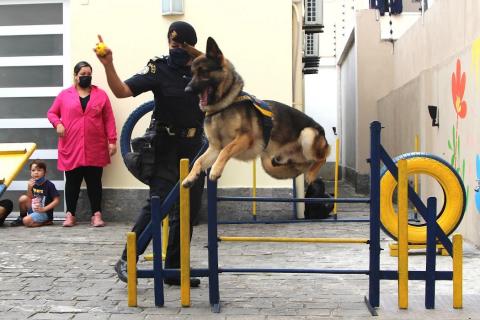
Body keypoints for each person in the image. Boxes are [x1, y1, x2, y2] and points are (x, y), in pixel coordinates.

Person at [95, 21, 205, 286]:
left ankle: (175, 270)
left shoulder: (205, 71)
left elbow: (228, 74)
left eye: (182, 44)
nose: (175, 48)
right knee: (157, 203)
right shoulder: (159, 68)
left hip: (196, 148)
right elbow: (122, 92)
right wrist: (108, 64)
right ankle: (127, 259)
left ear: (192, 46)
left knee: (188, 211)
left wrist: (201, 57)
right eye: (172, 43)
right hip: (165, 146)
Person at [47, 61, 117, 227]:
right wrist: (58, 124)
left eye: (88, 74)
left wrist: (112, 141)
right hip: (71, 146)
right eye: (82, 74)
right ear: (75, 76)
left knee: (94, 182)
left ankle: (96, 214)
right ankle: (70, 214)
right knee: (72, 182)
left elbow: (109, 119)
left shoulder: (101, 95)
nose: (86, 77)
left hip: (95, 146)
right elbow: (51, 112)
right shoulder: (65, 95)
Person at [10, 160, 60, 227]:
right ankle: (22, 217)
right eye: (33, 170)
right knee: (23, 198)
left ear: (45, 172)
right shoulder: (33, 183)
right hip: (35, 209)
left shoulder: (49, 185)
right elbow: (30, 197)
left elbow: (57, 201)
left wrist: (44, 209)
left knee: (26, 221)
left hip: (44, 212)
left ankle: (46, 221)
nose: (36, 172)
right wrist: (29, 188)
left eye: (39, 170)